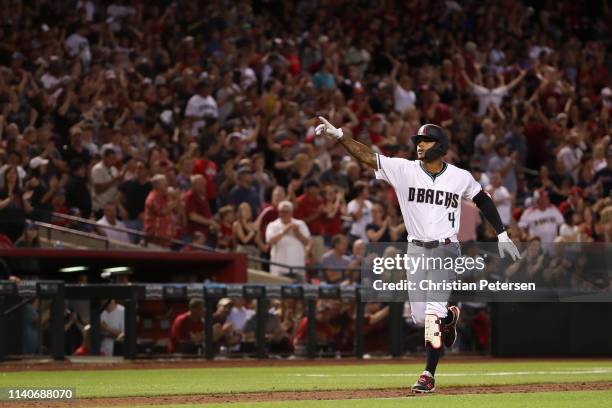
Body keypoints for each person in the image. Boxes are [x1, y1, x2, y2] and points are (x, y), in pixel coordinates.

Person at [316, 117, 520, 393]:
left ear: (441, 146)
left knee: (432, 316)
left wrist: (502, 234)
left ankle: (428, 373)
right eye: (418, 141)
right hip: (415, 250)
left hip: (446, 248)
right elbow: (368, 156)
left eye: (426, 140)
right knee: (421, 318)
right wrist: (340, 136)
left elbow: (482, 198)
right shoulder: (404, 169)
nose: (420, 145)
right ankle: (449, 318)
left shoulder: (459, 176)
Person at [265, 201, 311, 280]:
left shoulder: (300, 224)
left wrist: (298, 233)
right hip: (279, 268)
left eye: (286, 212)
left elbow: (307, 242)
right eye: (281, 212)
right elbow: (269, 241)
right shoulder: (272, 225)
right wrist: (284, 231)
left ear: (291, 212)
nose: (284, 214)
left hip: (297, 267)